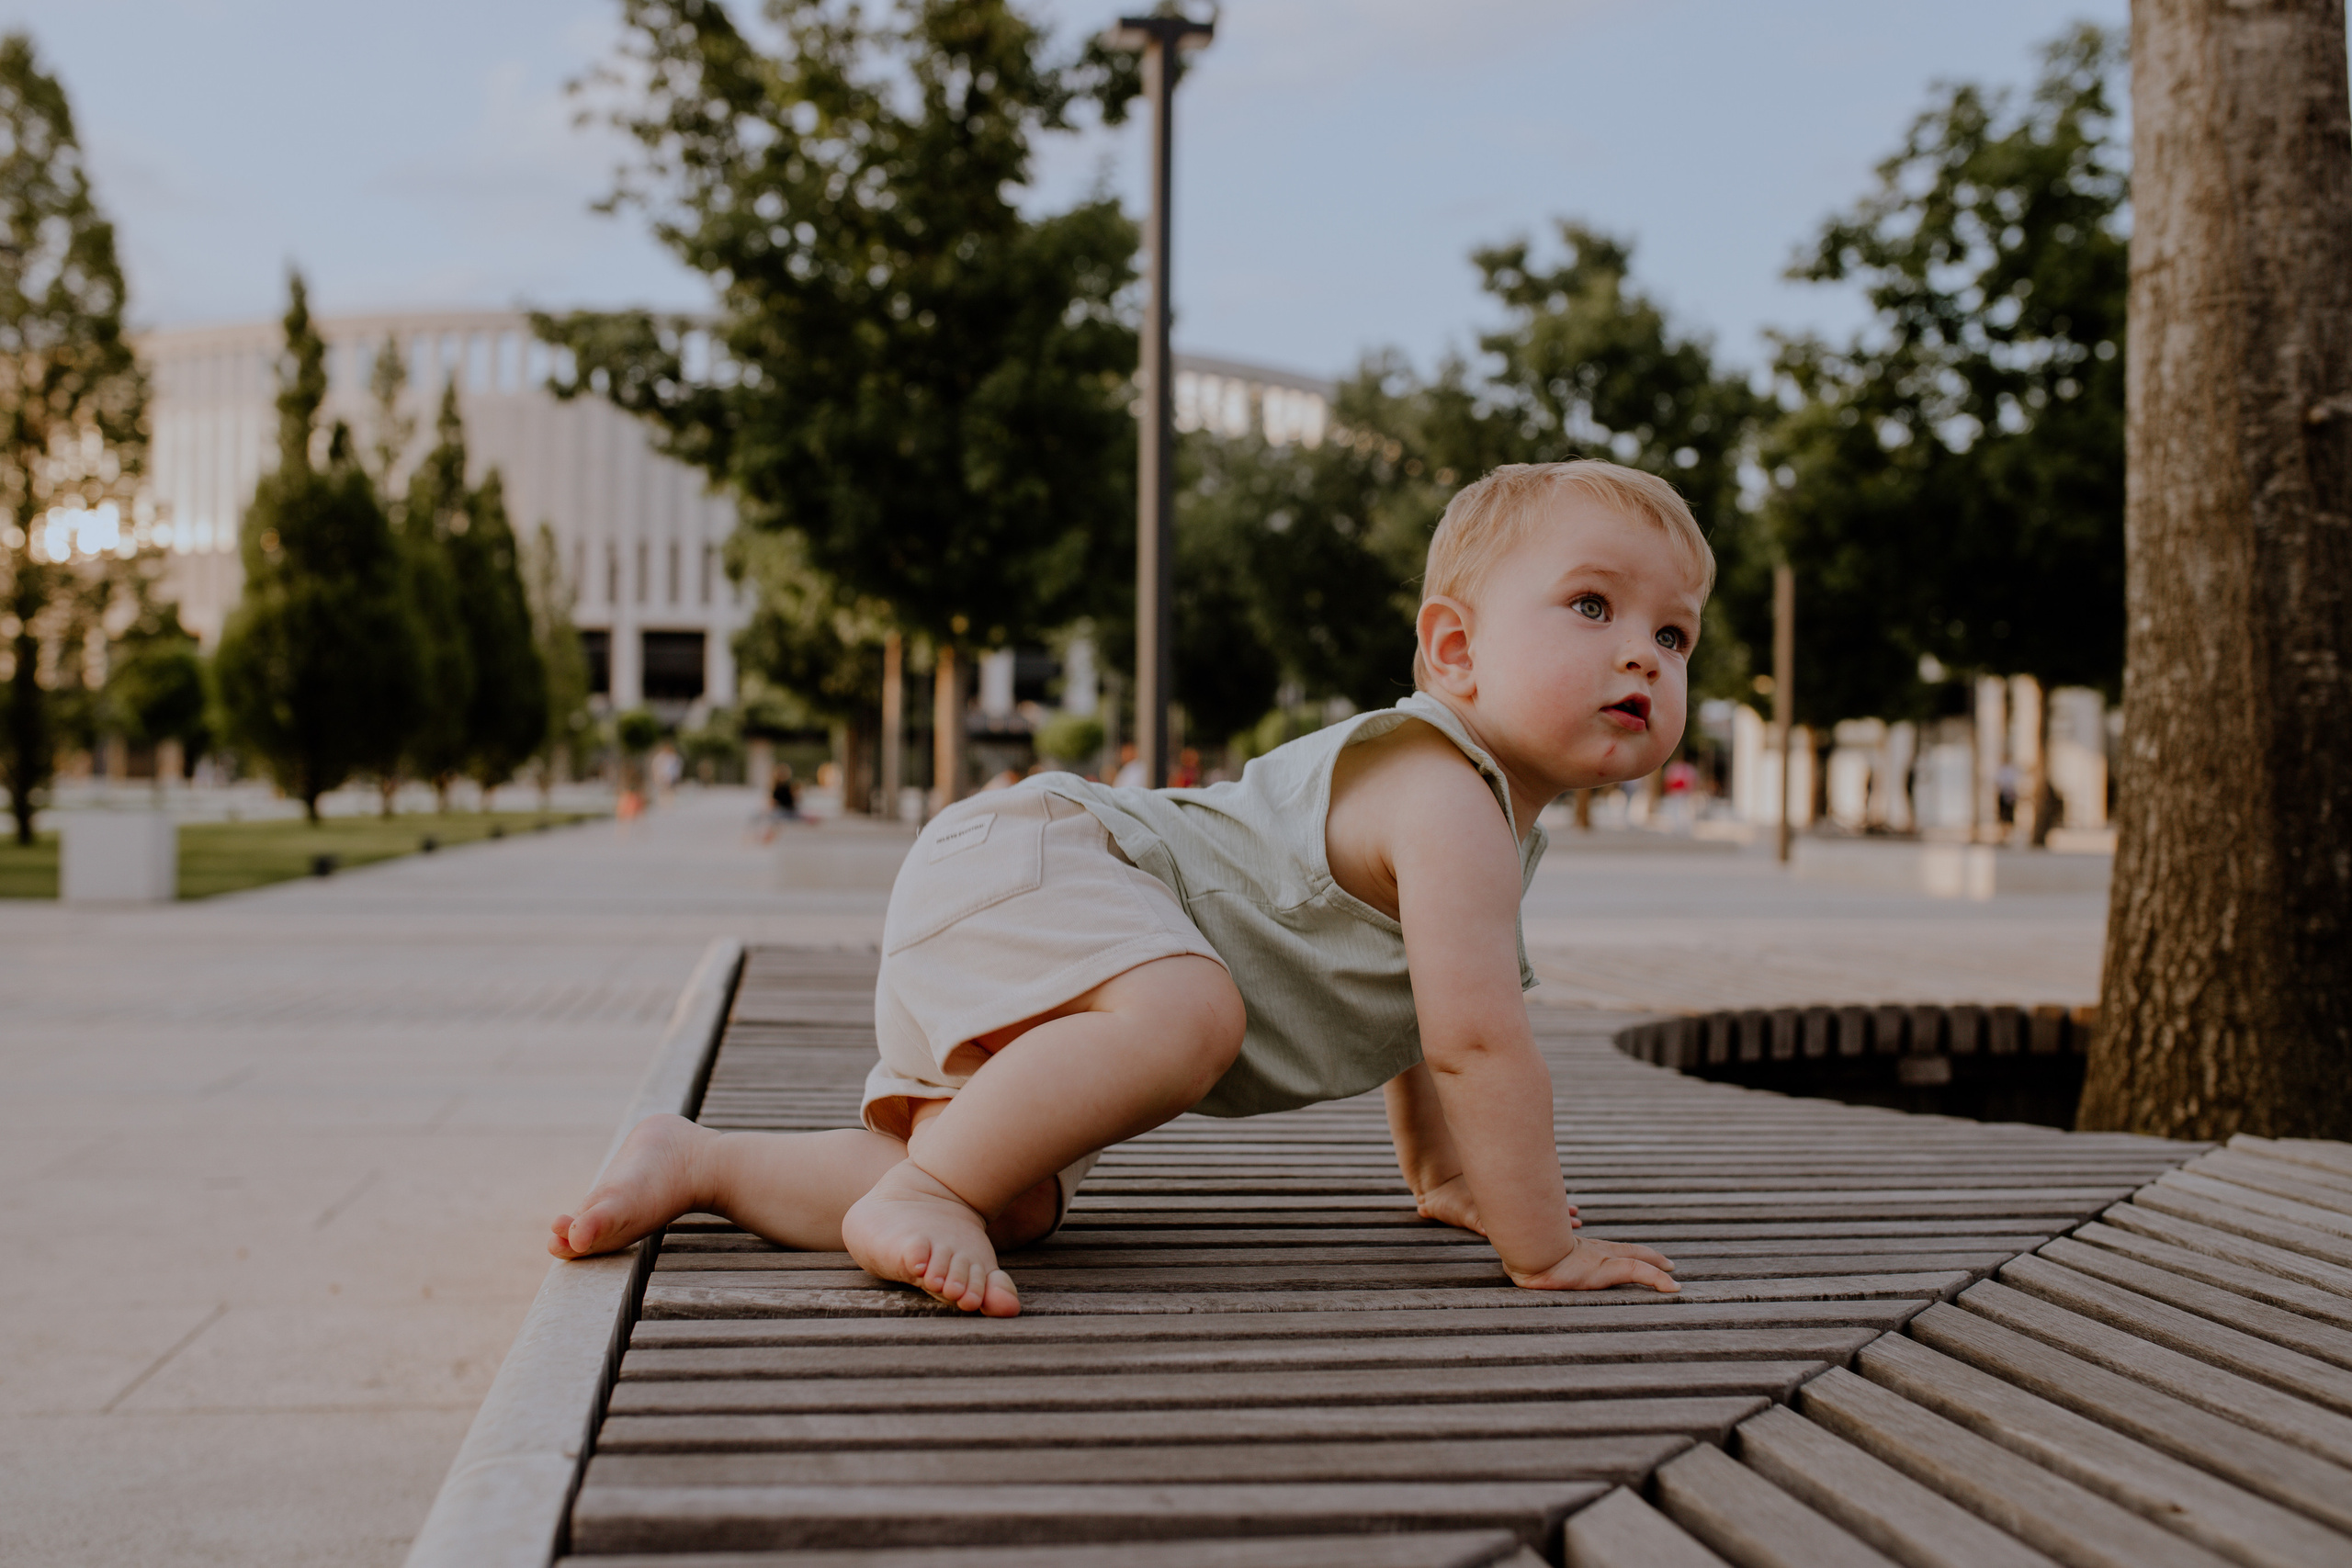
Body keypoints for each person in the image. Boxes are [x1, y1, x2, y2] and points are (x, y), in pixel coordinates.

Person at [552, 459, 1703, 1315]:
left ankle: (699, 1162)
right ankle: (920, 1195)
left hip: (1028, 899)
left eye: (1674, 632)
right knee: (1188, 1016)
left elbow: (1419, 1018)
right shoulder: (1443, 788)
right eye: (1591, 606)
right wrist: (1540, 1245)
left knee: (1012, 1196)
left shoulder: (1485, 821)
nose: (1642, 654)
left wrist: (1448, 1177)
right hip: (1047, 859)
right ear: (1452, 652)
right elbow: (1477, 1043)